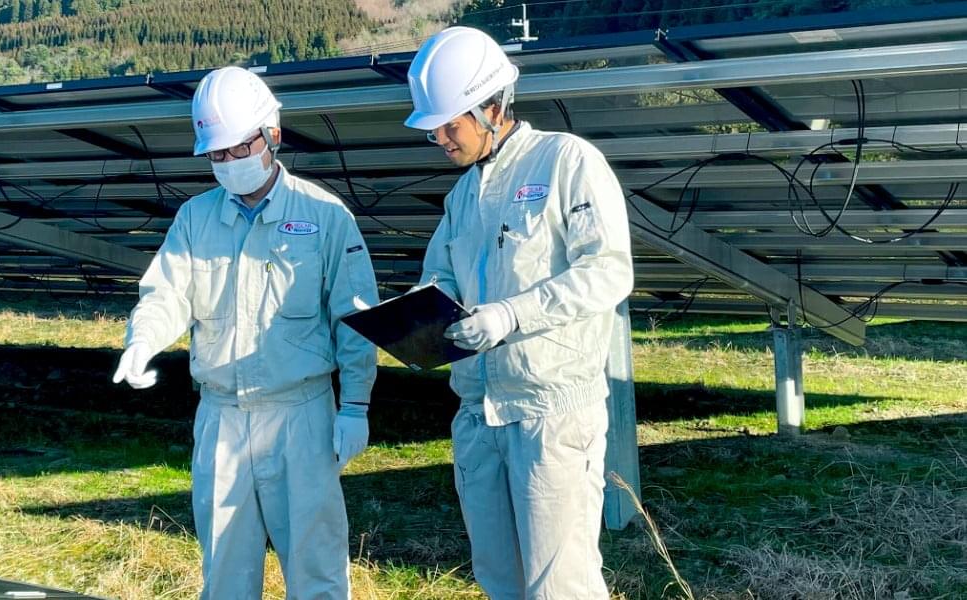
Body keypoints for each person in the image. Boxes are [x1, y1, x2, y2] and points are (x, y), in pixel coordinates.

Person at [111, 65, 380, 599]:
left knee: (317, 569)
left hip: (301, 416)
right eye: (217, 154)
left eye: (239, 148)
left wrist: (355, 405)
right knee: (226, 574)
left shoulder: (325, 216)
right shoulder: (195, 219)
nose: (229, 162)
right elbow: (167, 293)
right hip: (222, 418)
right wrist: (142, 340)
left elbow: (355, 318)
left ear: (272, 135)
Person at [402, 26, 634, 600]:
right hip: (479, 413)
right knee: (499, 579)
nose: (440, 139)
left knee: (560, 586)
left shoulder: (566, 161)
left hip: (550, 413)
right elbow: (440, 276)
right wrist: (414, 318)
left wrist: (512, 314)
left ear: (492, 106)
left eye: (450, 125)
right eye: (433, 129)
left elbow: (608, 270)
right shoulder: (462, 195)